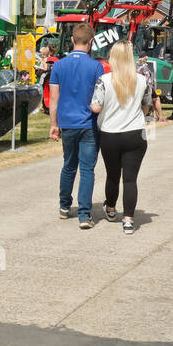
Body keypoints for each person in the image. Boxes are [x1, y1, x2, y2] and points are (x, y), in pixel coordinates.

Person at [91, 40, 152, 234]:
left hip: (110, 133)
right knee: (130, 179)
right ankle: (128, 219)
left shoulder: (104, 80)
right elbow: (146, 105)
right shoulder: (142, 80)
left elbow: (96, 106)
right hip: (135, 133)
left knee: (112, 174)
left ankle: (110, 208)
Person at [48, 22, 101, 229]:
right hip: (88, 123)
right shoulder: (96, 66)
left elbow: (54, 99)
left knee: (69, 165)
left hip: (67, 123)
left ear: (72, 40)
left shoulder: (59, 65)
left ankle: (64, 205)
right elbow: (99, 98)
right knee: (87, 169)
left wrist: (54, 124)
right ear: (91, 42)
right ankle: (84, 215)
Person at [137, 54, 164, 120]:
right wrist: (150, 88)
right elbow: (148, 78)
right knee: (156, 99)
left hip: (138, 85)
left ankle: (155, 115)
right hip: (146, 86)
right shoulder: (144, 66)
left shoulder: (136, 65)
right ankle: (160, 116)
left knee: (150, 100)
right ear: (145, 57)